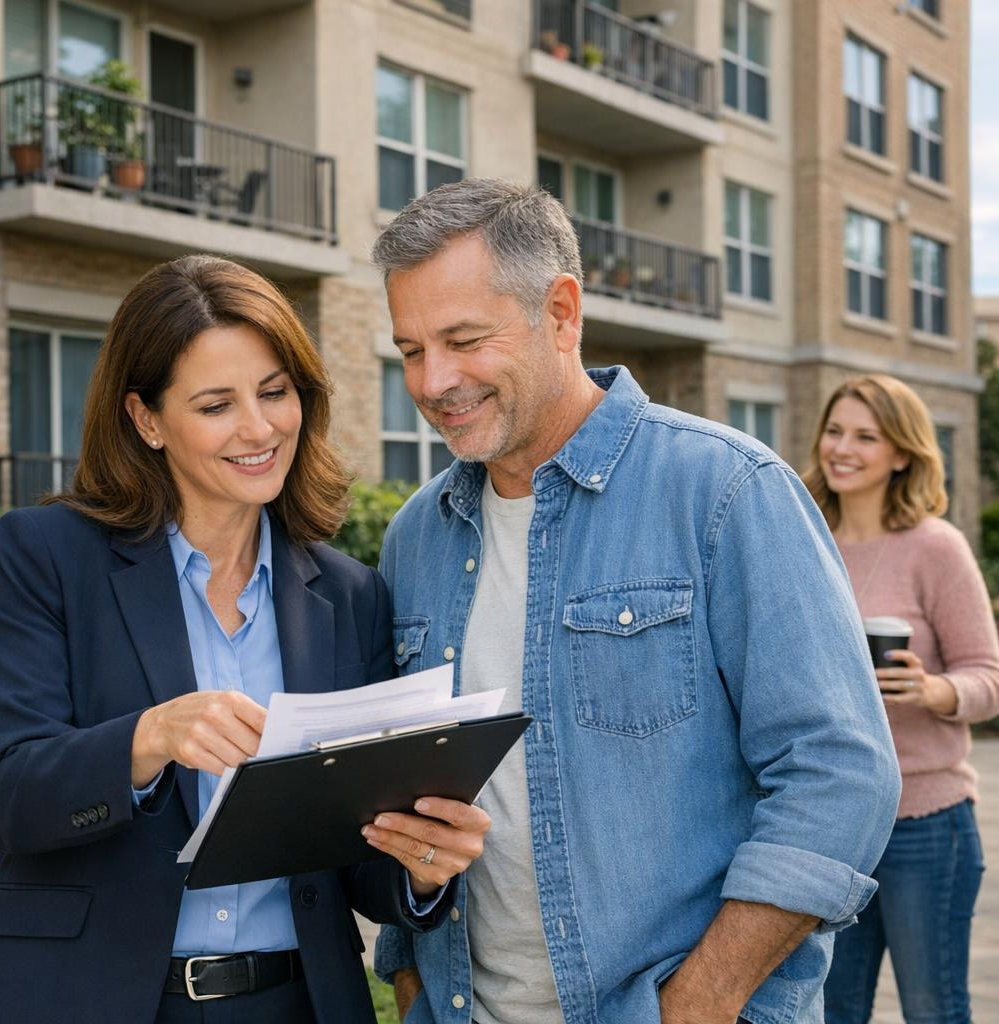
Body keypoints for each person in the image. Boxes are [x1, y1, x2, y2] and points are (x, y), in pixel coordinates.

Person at [367, 178, 902, 1024]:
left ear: (561, 313)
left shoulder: (726, 492)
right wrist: (409, 979)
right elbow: (407, 797)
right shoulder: (414, 537)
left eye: (464, 340)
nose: (434, 381)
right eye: (410, 350)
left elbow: (840, 774)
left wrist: (698, 1003)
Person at [0, 255, 491, 1024]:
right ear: (146, 419)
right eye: (215, 404)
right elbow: (4, 796)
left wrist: (422, 865)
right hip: (80, 997)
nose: (258, 428)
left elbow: (355, 859)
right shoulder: (47, 555)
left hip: (294, 1005)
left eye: (274, 392)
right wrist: (150, 737)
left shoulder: (349, 595)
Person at [805, 375, 999, 1024]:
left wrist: (933, 689)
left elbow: (989, 677)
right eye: (835, 431)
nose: (843, 449)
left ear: (901, 453)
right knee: (831, 1010)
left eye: (866, 436)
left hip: (926, 822)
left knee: (932, 1009)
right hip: (831, 822)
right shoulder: (803, 536)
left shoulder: (935, 546)